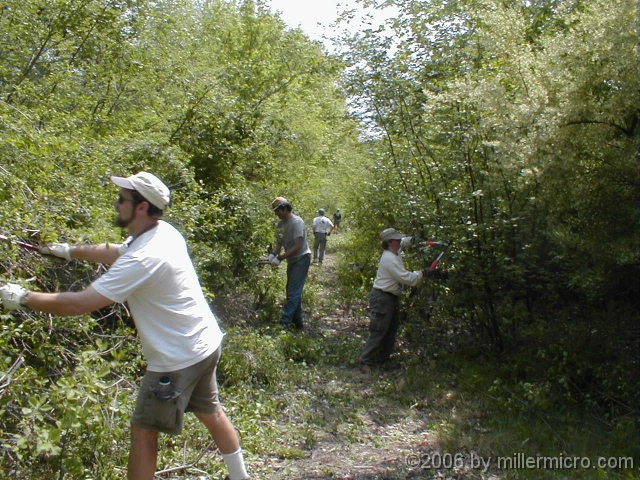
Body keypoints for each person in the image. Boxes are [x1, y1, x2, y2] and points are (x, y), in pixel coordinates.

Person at [0, 172, 250, 480]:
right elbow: (114, 250)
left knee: (143, 432)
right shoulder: (162, 232)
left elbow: (79, 304)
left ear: (142, 207)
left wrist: (22, 297)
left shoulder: (144, 259)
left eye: (123, 199)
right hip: (203, 343)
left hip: (175, 359)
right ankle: (241, 476)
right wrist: (66, 249)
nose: (117, 203)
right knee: (211, 412)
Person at [359, 228, 425, 373]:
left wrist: (412, 240)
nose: (400, 241)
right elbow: (409, 279)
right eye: (397, 240)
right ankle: (366, 362)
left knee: (391, 330)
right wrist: (422, 273)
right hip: (382, 298)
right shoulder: (389, 259)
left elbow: (404, 243)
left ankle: (382, 360)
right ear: (390, 242)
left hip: (390, 297)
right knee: (378, 330)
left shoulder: (395, 251)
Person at [267, 197, 311, 330]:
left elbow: (298, 246)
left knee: (293, 292)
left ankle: (284, 324)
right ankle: (298, 324)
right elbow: (279, 243)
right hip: (292, 259)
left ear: (285, 208)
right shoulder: (280, 224)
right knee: (292, 291)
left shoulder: (297, 222)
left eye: (278, 211)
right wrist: (272, 255)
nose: (276, 214)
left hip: (302, 258)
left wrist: (280, 258)